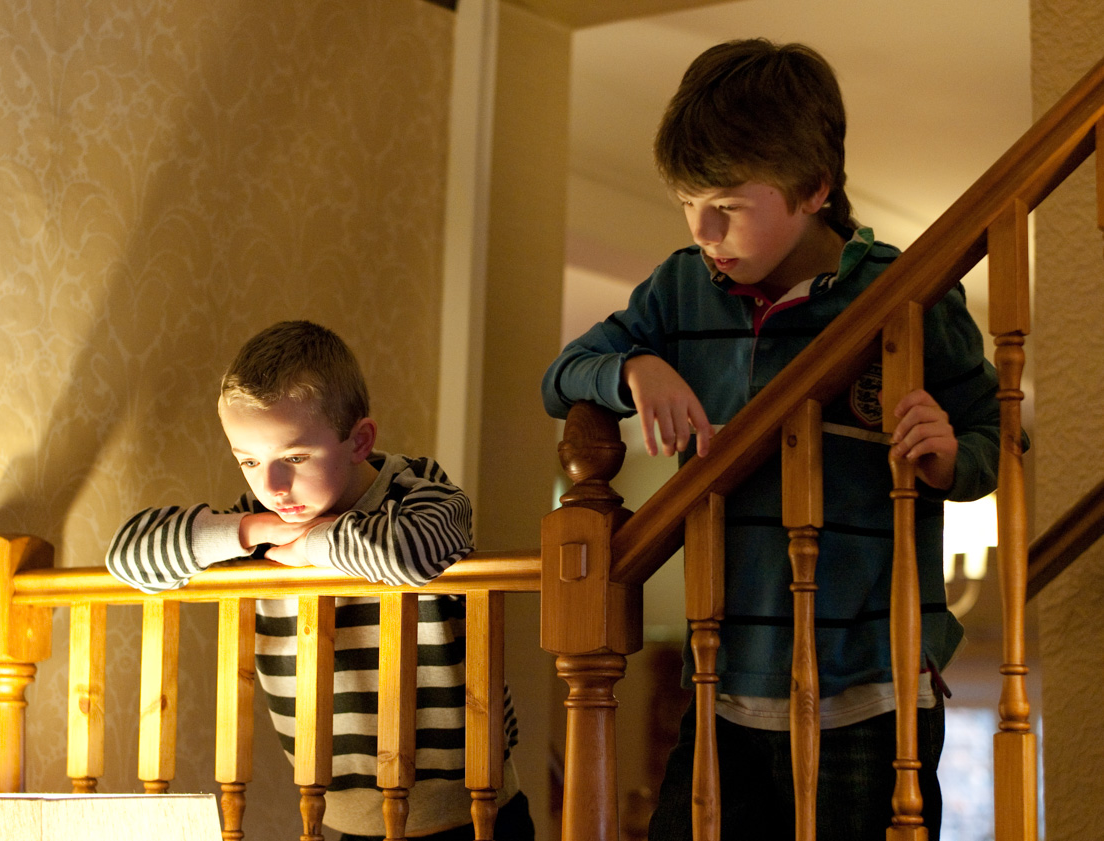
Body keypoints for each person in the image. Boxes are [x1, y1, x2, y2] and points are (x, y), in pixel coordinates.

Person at [541, 39, 1003, 840]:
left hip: (874, 683)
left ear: (815, 188)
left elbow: (995, 431)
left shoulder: (906, 291)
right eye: (687, 201)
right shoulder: (680, 287)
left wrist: (952, 458)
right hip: (722, 675)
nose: (703, 228)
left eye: (727, 204)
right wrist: (635, 366)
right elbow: (563, 374)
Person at [108, 320, 533, 841]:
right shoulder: (259, 524)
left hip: (474, 809)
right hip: (342, 811)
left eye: (294, 457)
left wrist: (311, 544)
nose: (272, 485)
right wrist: (249, 530)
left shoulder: (418, 493)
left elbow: (407, 552)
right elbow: (126, 557)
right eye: (249, 460)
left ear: (360, 441)